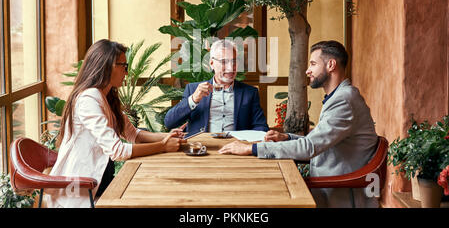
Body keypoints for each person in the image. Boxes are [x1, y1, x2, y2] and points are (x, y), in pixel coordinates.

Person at [218, 40, 379, 208]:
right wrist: (286, 137)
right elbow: (317, 140)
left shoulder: (344, 101)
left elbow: (309, 147)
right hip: (328, 184)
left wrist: (251, 148)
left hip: (339, 192)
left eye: (313, 64)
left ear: (331, 65)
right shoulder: (340, 97)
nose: (307, 70)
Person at [44, 39, 186, 208]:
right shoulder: (88, 99)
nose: (127, 72)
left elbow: (134, 135)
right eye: (123, 66)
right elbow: (117, 151)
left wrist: (167, 136)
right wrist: (163, 146)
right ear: (107, 66)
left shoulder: (106, 96)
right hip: (82, 192)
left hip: (100, 184)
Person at [164, 39, 269, 134]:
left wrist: (248, 145)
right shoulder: (193, 89)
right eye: (224, 62)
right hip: (202, 148)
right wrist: (193, 99)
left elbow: (261, 127)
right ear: (212, 63)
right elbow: (169, 122)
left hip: (235, 149)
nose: (230, 67)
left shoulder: (250, 93)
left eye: (234, 61)